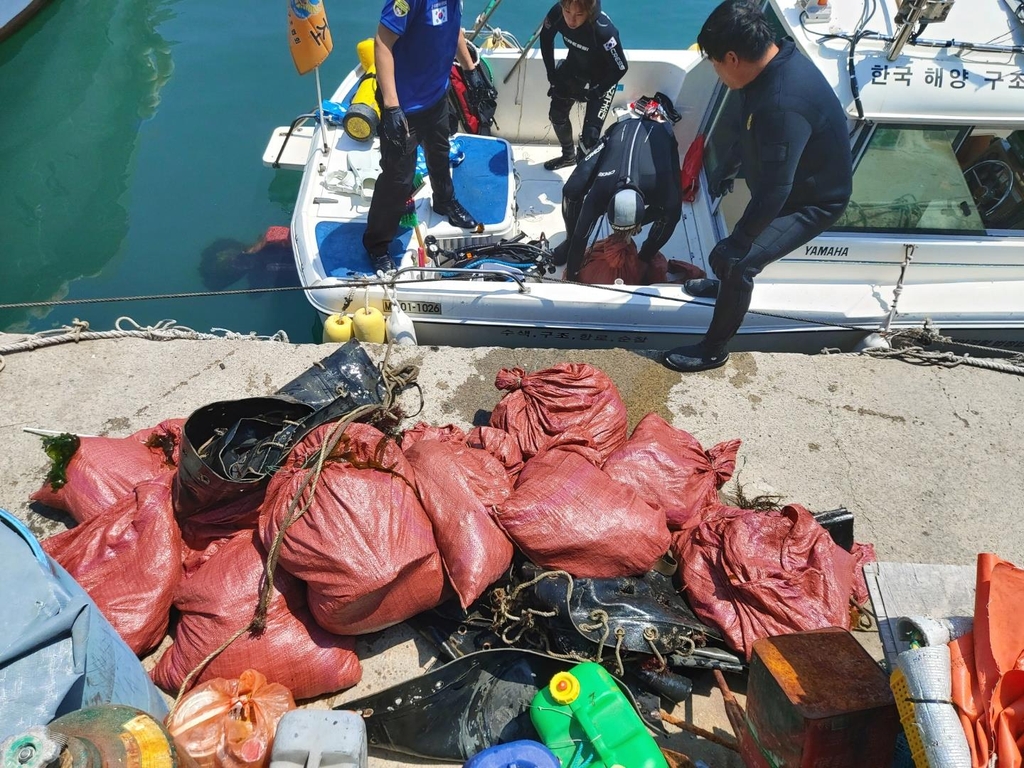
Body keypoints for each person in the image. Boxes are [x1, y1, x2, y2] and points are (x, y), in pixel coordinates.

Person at [662, 0, 853, 372]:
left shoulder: (782, 103)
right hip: (785, 178)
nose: (717, 74)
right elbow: (746, 125)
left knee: (739, 262)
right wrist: (729, 166)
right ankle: (724, 291)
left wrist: (738, 242)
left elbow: (776, 190)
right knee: (731, 254)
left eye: (716, 64)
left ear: (732, 58)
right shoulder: (768, 66)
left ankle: (713, 350)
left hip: (812, 200)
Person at [363, 0, 490, 274]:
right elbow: (382, 43)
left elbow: (454, 29)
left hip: (436, 96)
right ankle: (376, 244)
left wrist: (470, 71)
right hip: (404, 105)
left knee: (440, 151)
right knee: (398, 179)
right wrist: (392, 106)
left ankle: (444, 200)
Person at [554, 100, 682, 281]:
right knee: (571, 190)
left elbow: (672, 213)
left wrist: (643, 260)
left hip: (661, 136)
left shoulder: (662, 188)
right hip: (620, 131)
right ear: (606, 207)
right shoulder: (599, 193)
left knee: (672, 213)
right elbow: (580, 238)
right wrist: (573, 276)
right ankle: (566, 239)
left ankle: (646, 256)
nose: (617, 235)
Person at [539, 0, 628, 171]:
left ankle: (582, 179)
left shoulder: (603, 31)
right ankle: (568, 156)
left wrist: (596, 92)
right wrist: (551, 74)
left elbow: (620, 67)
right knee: (557, 115)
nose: (571, 20)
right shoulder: (557, 13)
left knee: (590, 138)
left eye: (579, 15)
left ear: (589, 12)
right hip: (574, 66)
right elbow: (545, 38)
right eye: (567, 12)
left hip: (602, 78)